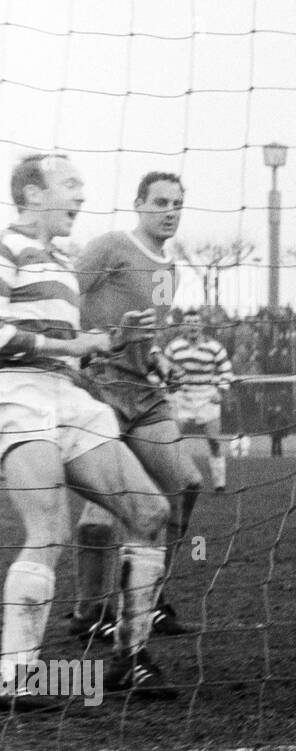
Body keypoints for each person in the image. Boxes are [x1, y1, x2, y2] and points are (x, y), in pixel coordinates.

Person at [0, 153, 179, 711]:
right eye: (70, 184)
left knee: (151, 513)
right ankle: (14, 678)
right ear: (32, 194)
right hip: (16, 394)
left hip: (68, 395)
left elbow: (70, 342)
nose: (81, 194)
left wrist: (111, 335)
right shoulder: (6, 247)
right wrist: (70, 345)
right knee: (48, 531)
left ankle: (129, 659)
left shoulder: (62, 259)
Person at [71, 171, 200, 642]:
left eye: (178, 204)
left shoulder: (169, 270)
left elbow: (154, 332)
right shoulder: (109, 247)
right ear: (138, 204)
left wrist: (162, 359)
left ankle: (151, 598)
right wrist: (86, 344)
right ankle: (87, 612)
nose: (170, 211)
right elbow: (66, 296)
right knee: (101, 514)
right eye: (161, 201)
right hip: (98, 386)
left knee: (186, 484)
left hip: (144, 393)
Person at [162, 308, 234, 489]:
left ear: (201, 325)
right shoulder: (174, 347)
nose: (193, 326)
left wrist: (221, 391)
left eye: (196, 322)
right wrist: (166, 392)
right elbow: (162, 369)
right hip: (182, 397)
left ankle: (219, 484)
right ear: (183, 326)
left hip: (206, 396)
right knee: (172, 439)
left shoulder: (214, 347)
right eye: (189, 322)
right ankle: (176, 481)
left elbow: (226, 371)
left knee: (214, 441)